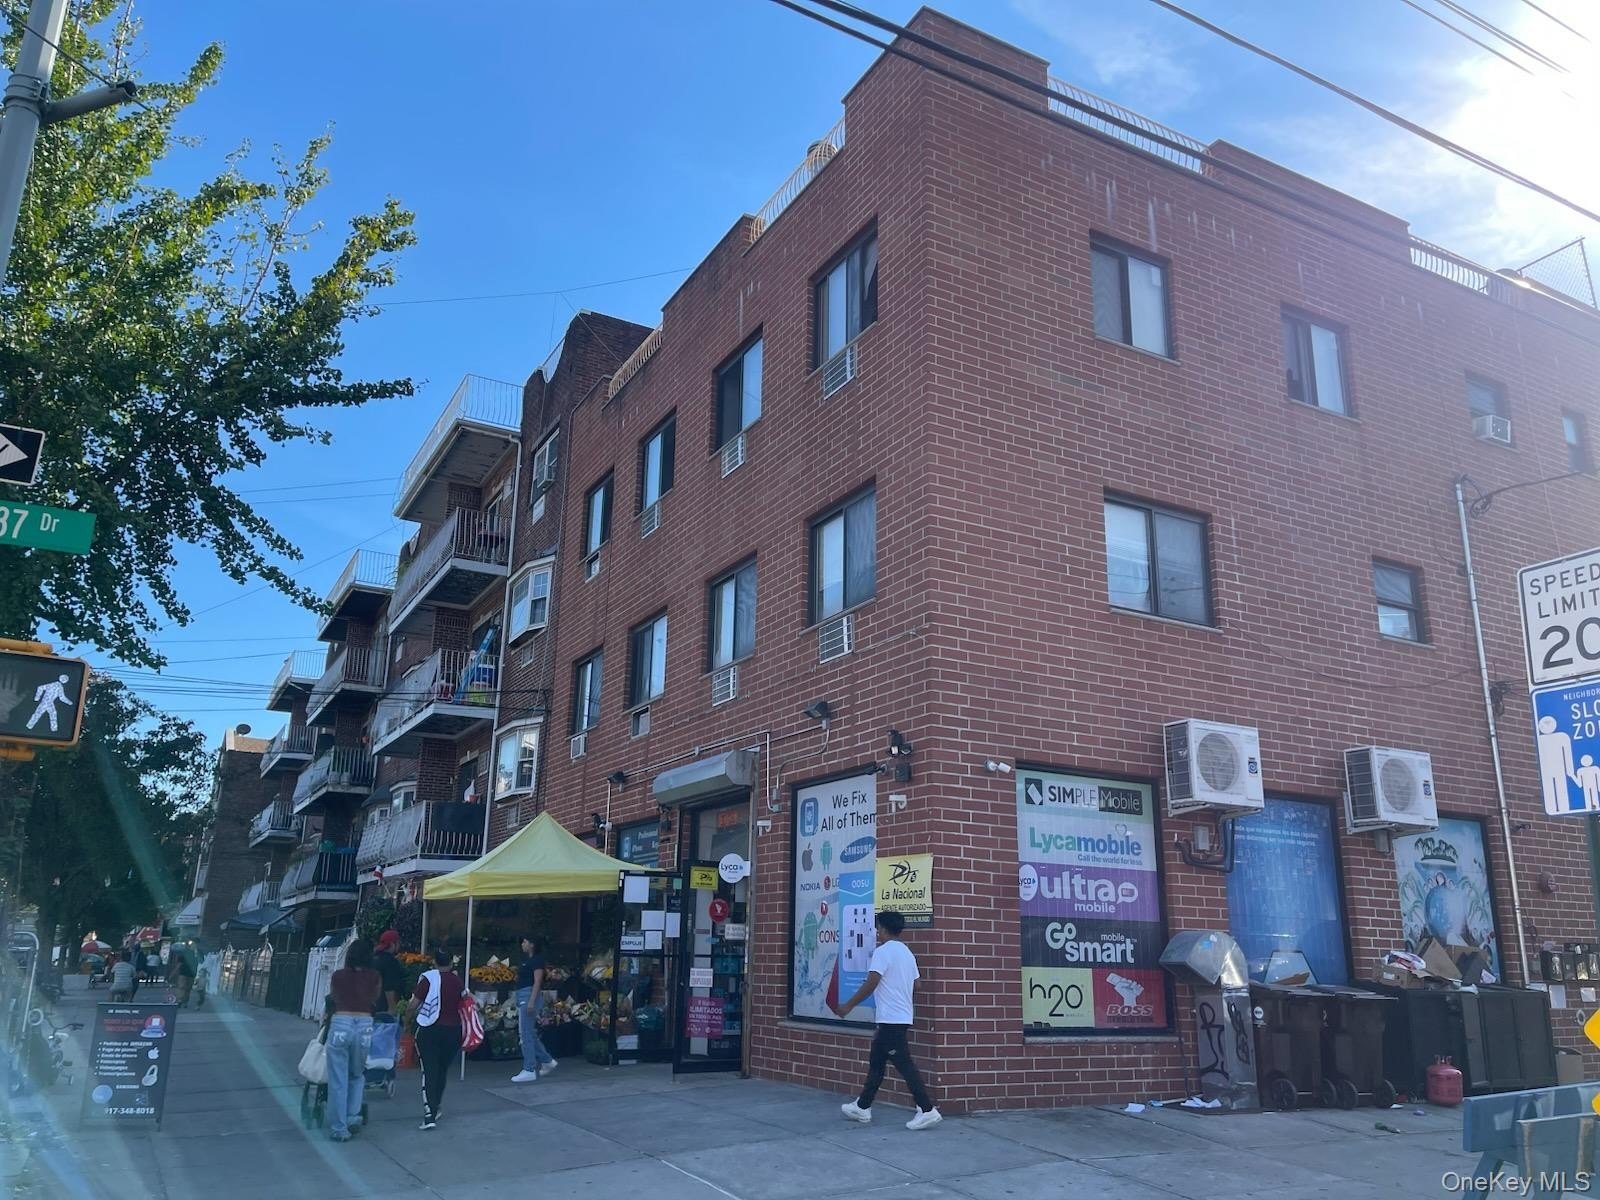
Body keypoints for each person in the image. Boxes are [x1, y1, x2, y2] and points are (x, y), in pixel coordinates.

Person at [832, 910, 941, 1131]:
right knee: (877, 1063)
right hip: (900, 1016)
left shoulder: (883, 952)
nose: (876, 932)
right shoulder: (906, 953)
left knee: (905, 1065)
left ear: (882, 928)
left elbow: (872, 981)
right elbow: (917, 984)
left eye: (877, 928)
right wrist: (898, 990)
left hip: (891, 1018)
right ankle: (862, 1106)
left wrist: (848, 1005)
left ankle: (927, 1109)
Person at [325, 938, 381, 1142]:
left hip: (342, 1022)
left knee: (338, 1079)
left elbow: (333, 997)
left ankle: (339, 1128)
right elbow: (375, 998)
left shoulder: (338, 976)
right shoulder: (374, 976)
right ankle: (352, 1116)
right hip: (364, 1023)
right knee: (357, 1074)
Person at [408, 947, 463, 1130]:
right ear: (451, 962)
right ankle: (436, 1105)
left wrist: (407, 1019)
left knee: (429, 1070)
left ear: (434, 962)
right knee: (441, 1070)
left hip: (430, 1029)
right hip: (453, 1030)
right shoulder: (457, 981)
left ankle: (429, 1113)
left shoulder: (428, 980)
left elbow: (414, 1004)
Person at [511, 936, 557, 1083]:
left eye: (525, 941)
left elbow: (537, 982)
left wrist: (531, 1001)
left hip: (528, 995)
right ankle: (547, 1060)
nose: (522, 944)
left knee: (525, 1034)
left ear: (532, 944)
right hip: (523, 994)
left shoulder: (537, 961)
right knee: (529, 1033)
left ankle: (529, 1068)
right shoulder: (528, 960)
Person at [373, 929, 406, 1015]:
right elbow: (389, 987)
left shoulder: (373, 959)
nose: (399, 945)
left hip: (371, 1007)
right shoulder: (390, 962)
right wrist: (392, 1009)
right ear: (392, 944)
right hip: (384, 1009)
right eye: (398, 942)